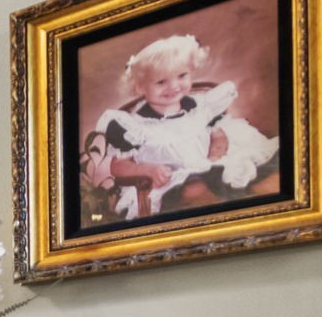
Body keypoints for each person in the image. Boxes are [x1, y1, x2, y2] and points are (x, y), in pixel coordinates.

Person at [89, 33, 280, 220]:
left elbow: (218, 136)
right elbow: (119, 167)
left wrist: (214, 157)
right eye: (161, 81)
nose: (174, 86)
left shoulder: (201, 108)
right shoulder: (134, 127)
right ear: (140, 87)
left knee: (255, 176)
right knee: (195, 190)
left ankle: (253, 214)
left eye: (181, 76)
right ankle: (223, 219)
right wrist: (147, 170)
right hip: (170, 183)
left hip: (211, 166)